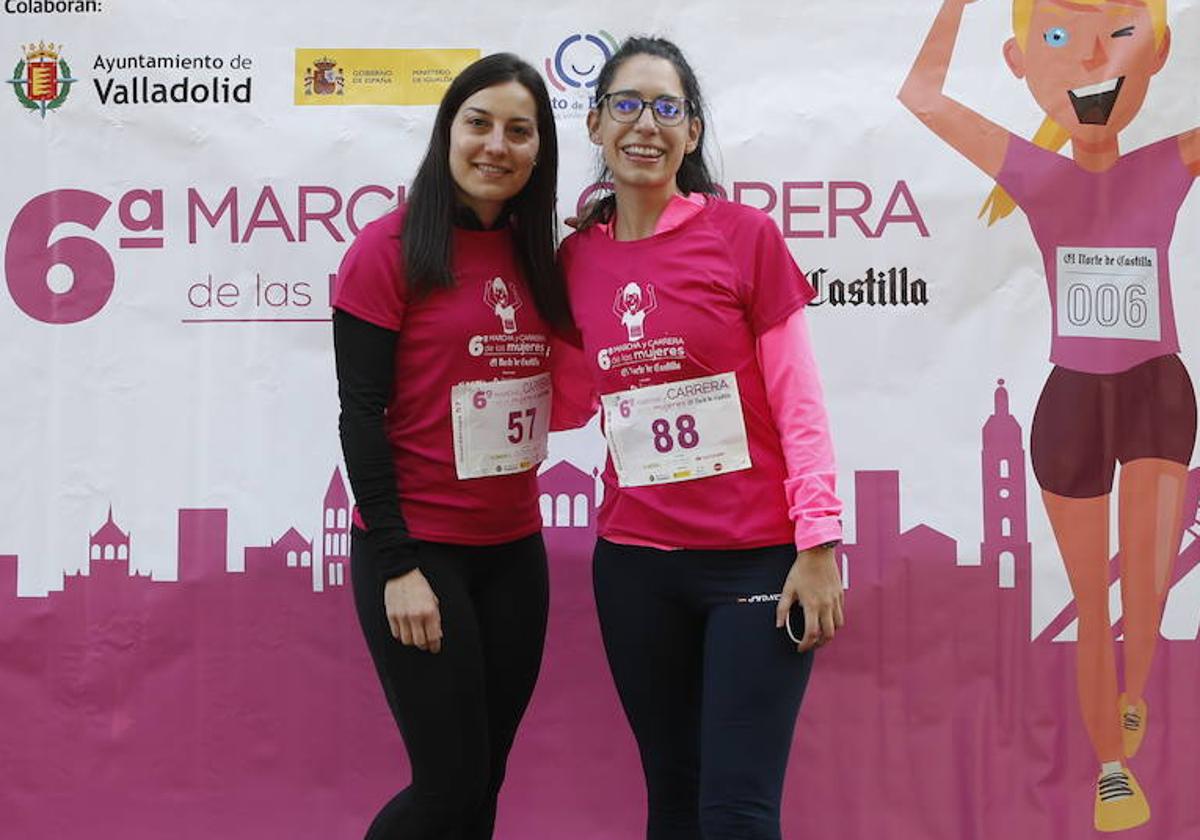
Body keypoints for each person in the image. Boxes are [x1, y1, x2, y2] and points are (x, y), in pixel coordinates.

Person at [899, 0, 1197, 832]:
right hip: (1072, 403)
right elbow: (921, 98)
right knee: (1091, 602)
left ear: (1157, 53)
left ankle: (1134, 694)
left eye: (1122, 34)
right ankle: (1111, 768)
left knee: (1144, 595)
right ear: (1023, 62)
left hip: (1157, 395)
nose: (1094, 57)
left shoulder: (1167, 163)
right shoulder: (1035, 173)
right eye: (1059, 38)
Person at [552, 36, 846, 840]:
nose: (645, 124)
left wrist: (817, 543)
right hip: (636, 568)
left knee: (738, 814)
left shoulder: (742, 236)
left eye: (667, 108)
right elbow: (569, 402)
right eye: (626, 104)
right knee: (674, 805)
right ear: (595, 123)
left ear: (690, 132)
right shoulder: (576, 259)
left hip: (755, 561)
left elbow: (799, 400)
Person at [332, 52, 568, 840]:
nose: (496, 145)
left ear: (540, 152)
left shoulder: (544, 257)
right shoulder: (387, 251)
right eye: (479, 123)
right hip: (418, 554)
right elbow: (360, 416)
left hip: (513, 552)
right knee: (449, 787)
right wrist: (397, 564)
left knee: (484, 784)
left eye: (519, 130)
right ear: (447, 131)